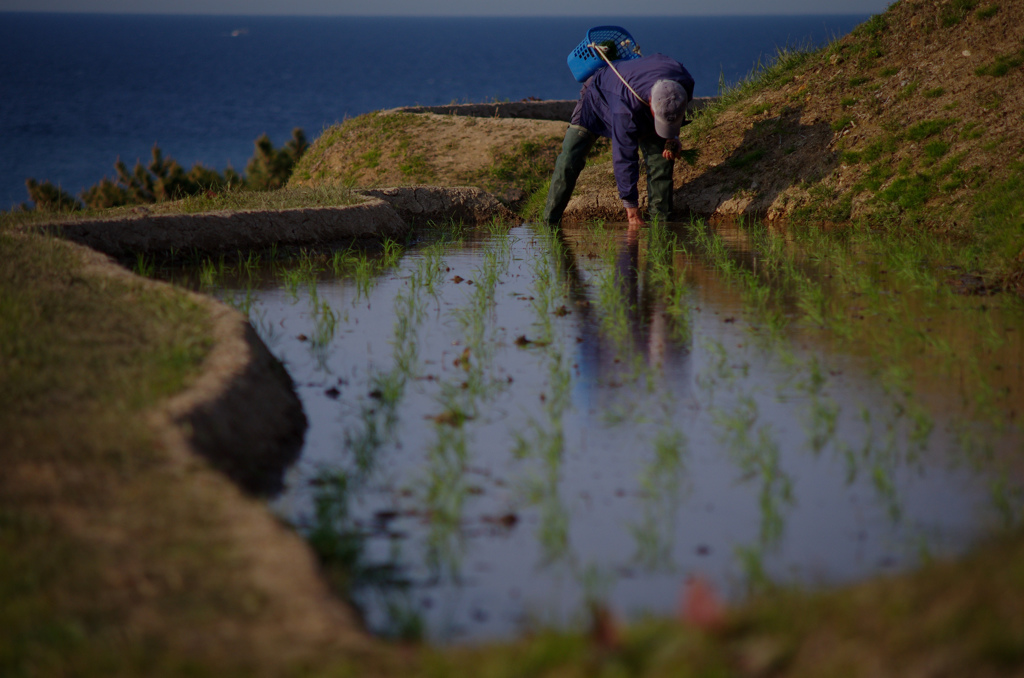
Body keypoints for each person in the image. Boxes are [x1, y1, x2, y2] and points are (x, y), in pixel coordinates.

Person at [542, 52, 694, 228]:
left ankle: (662, 229)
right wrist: (632, 211)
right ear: (651, 102)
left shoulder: (685, 82)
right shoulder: (625, 111)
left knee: (662, 161)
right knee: (570, 158)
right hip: (597, 97)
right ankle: (549, 225)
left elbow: (675, 110)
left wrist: (673, 137)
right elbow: (624, 159)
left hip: (640, 100)